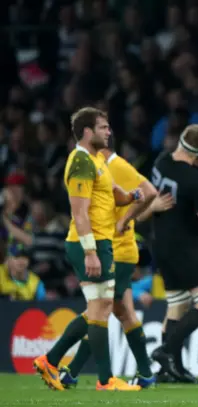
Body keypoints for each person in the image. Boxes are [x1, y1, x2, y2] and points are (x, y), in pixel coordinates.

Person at [34, 107, 143, 391]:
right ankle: (105, 380)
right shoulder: (81, 162)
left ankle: (51, 360)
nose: (109, 132)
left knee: (100, 307)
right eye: (103, 127)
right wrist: (90, 252)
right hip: (90, 243)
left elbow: (111, 193)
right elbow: (79, 213)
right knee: (100, 307)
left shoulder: (96, 160)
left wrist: (130, 196)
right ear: (87, 131)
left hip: (102, 241)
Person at [58, 142, 159, 389]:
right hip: (114, 248)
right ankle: (145, 374)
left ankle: (61, 363)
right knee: (121, 311)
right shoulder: (100, 165)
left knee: (99, 310)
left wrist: (124, 221)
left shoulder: (116, 165)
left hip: (119, 250)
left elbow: (150, 191)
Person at [150, 124, 198, 383]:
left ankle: (172, 370)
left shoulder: (161, 161)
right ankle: (166, 350)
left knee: (178, 304)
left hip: (160, 243)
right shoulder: (192, 179)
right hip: (184, 246)